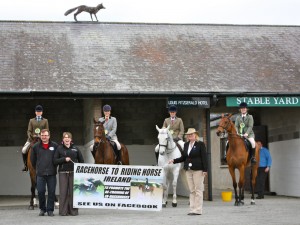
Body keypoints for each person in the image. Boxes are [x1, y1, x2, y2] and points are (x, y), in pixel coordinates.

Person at [169, 128, 208, 216]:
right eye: (188, 135)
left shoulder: (200, 144)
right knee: (191, 190)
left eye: (191, 134)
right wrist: (174, 160)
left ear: (195, 135)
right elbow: (184, 157)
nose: (190, 136)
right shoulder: (186, 145)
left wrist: (205, 170)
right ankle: (192, 209)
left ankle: (198, 210)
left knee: (198, 190)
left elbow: (204, 157)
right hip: (188, 170)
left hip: (198, 170)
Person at [54, 132, 84, 216]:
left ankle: (73, 211)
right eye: (65, 137)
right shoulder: (59, 149)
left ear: (71, 139)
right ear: (63, 139)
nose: (67, 139)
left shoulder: (76, 148)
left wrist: (80, 171)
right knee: (63, 193)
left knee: (73, 193)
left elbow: (82, 161)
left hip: (74, 173)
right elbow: (55, 161)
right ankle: (63, 212)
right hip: (63, 173)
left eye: (68, 137)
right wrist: (64, 159)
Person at [30, 129, 58, 217]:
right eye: (42, 135)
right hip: (40, 174)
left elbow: (57, 158)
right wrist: (38, 168)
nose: (44, 137)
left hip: (51, 173)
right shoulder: (35, 147)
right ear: (40, 136)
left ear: (49, 136)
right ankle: (42, 209)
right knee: (41, 191)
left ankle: (50, 210)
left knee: (51, 192)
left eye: (46, 135)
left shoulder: (55, 145)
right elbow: (32, 160)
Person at [21, 105, 49, 172]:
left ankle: (48, 165)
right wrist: (31, 136)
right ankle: (25, 165)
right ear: (35, 112)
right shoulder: (31, 120)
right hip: (32, 139)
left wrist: (42, 136)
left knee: (49, 150)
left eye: (40, 112)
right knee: (24, 150)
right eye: (37, 111)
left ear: (42, 112)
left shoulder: (45, 121)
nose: (38, 113)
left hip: (42, 139)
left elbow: (47, 130)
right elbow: (29, 130)